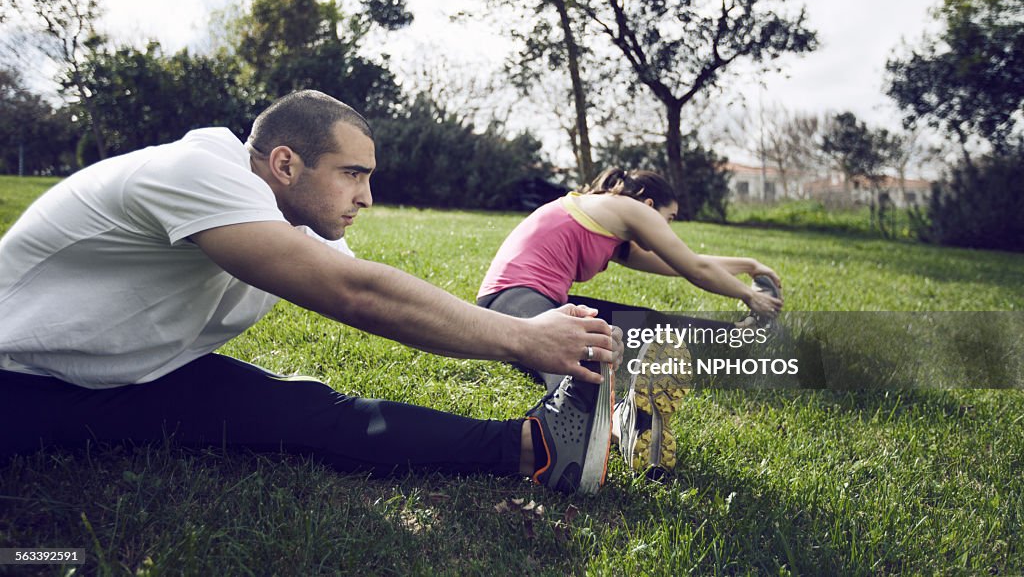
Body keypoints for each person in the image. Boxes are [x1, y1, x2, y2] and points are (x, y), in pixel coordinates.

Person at [0, 90, 625, 495]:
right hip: (22, 379)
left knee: (309, 409)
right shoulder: (192, 173)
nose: (367, 196)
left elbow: (393, 294)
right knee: (294, 417)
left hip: (143, 372)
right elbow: (356, 294)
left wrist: (550, 343)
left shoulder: (291, 218)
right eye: (353, 174)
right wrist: (525, 335)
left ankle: (538, 449)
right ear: (285, 164)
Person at [477, 167, 783, 473]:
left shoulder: (611, 221)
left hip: (541, 303)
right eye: (670, 218)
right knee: (579, 358)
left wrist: (749, 265)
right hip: (511, 300)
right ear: (649, 205)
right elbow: (696, 268)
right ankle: (619, 423)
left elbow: (678, 263)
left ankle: (741, 337)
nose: (667, 227)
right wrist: (750, 295)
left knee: (649, 324)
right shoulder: (630, 208)